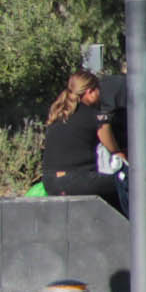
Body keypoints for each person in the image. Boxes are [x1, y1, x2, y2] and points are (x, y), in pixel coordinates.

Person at [39, 71, 125, 210]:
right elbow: (115, 151)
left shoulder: (58, 115)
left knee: (108, 186)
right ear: (90, 92)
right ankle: (141, 224)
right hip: (77, 182)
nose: (100, 95)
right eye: (98, 90)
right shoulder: (97, 118)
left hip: (50, 183)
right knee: (126, 183)